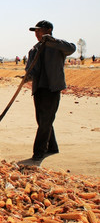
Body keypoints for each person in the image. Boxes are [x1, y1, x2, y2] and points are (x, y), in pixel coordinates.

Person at [25, 20, 76, 162]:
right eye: (35, 31)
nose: (36, 34)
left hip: (52, 88)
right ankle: (52, 147)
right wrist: (27, 76)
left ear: (48, 30)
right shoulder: (34, 50)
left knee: (46, 120)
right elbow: (31, 69)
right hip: (39, 89)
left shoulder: (58, 47)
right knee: (42, 120)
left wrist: (52, 41)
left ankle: (38, 152)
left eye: (39, 30)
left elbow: (72, 48)